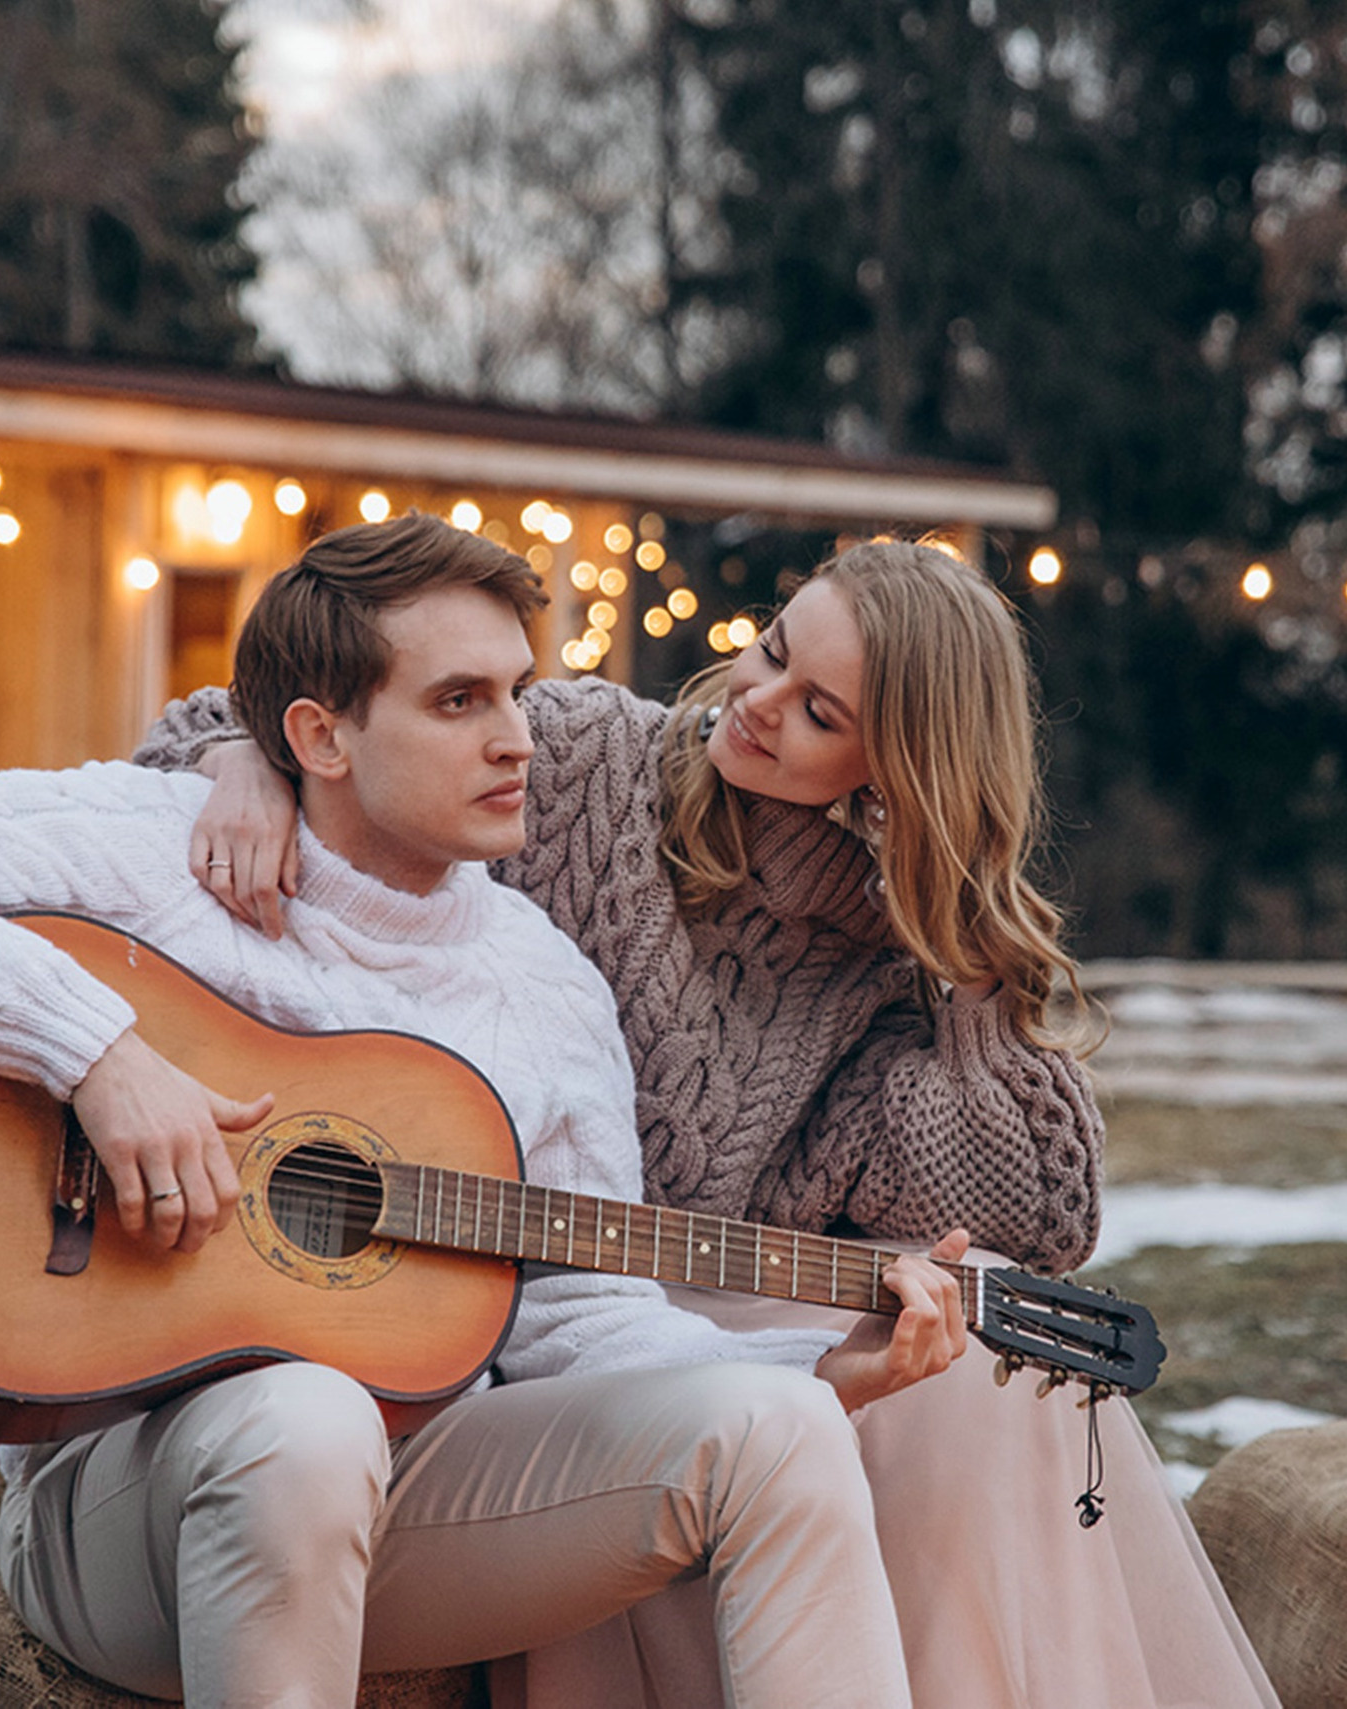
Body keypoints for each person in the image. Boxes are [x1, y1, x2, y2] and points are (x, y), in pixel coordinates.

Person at [0, 514, 971, 1709]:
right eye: (459, 701)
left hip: (415, 1494)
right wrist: (96, 1056)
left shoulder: (540, 985)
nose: (519, 738)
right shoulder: (155, 847)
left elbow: (578, 1309)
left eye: (518, 691)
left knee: (784, 1427)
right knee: (306, 1411)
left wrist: (814, 1366)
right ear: (318, 736)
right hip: (119, 1501)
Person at [139, 535, 1282, 1709]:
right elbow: (270, 714)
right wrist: (237, 764)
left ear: (897, 765)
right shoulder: (578, 751)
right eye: (772, 651)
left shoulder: (874, 949)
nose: (757, 701)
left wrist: (974, 957)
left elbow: (1035, 1208)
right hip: (483, 1280)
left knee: (984, 1344)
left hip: (679, 1284)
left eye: (818, 709)